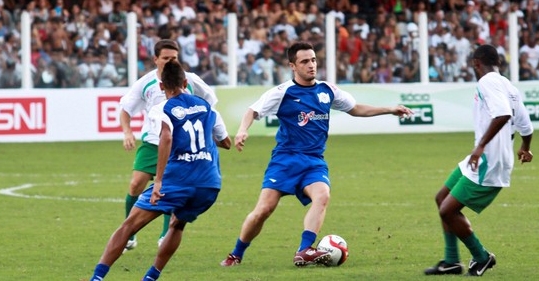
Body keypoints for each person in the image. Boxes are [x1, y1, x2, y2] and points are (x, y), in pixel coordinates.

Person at [220, 42, 414, 267]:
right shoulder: (283, 92)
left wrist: (390, 109)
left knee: (322, 196)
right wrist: (243, 130)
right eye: (304, 62)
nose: (311, 65)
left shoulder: (327, 90)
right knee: (263, 210)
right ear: (293, 66)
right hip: (285, 160)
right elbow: (252, 110)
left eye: (313, 60)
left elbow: (356, 108)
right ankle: (236, 254)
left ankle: (304, 250)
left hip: (314, 161)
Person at [90, 60, 231, 281]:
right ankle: (151, 277)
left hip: (178, 181)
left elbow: (166, 137)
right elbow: (226, 142)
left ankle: (96, 278)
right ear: (185, 82)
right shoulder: (207, 107)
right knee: (177, 224)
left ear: (162, 86)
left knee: (128, 226)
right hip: (209, 184)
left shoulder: (161, 108)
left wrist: (158, 183)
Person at [424, 44, 534, 277]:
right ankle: (452, 261)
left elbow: (503, 114)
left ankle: (482, 256)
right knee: (441, 197)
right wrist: (525, 147)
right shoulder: (509, 86)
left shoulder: (487, 82)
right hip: (482, 158)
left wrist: (481, 146)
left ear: (476, 63)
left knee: (447, 211)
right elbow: (525, 124)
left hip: (488, 162)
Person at [119, 39, 218, 252]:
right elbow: (126, 108)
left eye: (174, 58)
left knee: (168, 187)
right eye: (166, 58)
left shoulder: (189, 80)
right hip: (153, 142)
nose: (170, 61)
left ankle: (165, 234)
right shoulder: (145, 83)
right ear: (156, 59)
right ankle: (130, 232)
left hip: (180, 145)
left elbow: (211, 101)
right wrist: (127, 132)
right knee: (136, 184)